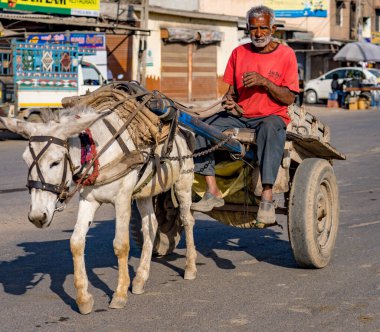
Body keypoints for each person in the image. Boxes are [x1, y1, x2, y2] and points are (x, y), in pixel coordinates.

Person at [191, 5, 299, 225]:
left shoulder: (286, 54)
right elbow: (230, 93)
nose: (258, 33)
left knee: (270, 128)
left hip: (271, 115)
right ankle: (213, 191)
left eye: (262, 28)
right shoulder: (238, 53)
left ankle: (267, 197)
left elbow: (289, 99)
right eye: (253, 29)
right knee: (200, 127)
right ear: (248, 29)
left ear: (273, 28)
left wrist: (265, 82)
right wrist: (229, 101)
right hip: (241, 115)